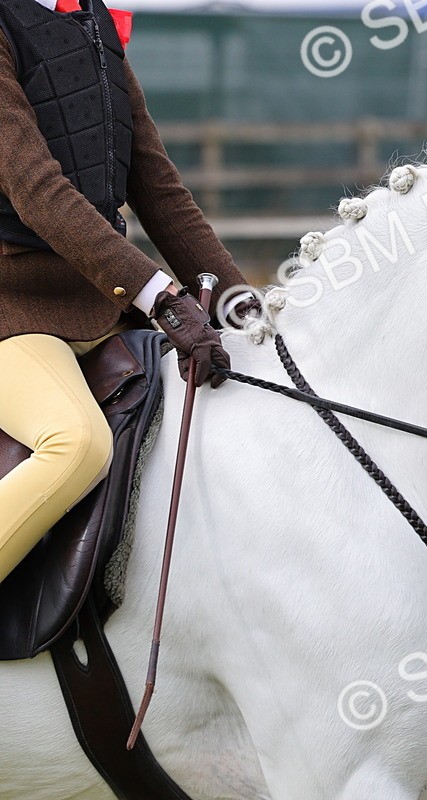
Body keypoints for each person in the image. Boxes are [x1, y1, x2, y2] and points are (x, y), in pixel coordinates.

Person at [0, 0, 248, 584]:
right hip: (13, 306)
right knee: (76, 445)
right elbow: (38, 193)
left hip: (100, 306)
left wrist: (244, 305)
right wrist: (160, 296)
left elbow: (157, 188)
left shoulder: (92, 18)